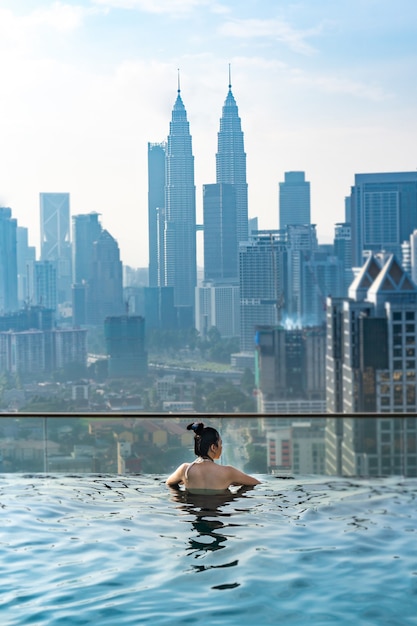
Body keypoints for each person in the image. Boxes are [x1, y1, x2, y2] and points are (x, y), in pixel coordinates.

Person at [166, 422, 260, 493]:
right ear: (213, 447)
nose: (221, 447)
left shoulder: (184, 470)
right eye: (220, 444)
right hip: (216, 514)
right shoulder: (228, 472)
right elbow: (256, 483)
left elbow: (169, 483)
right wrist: (235, 495)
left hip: (193, 513)